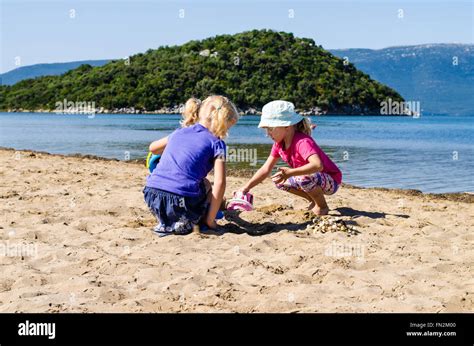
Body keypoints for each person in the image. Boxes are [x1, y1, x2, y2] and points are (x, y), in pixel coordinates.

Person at [143, 95, 239, 235]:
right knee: (206, 185)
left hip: (152, 196)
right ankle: (201, 218)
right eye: (227, 128)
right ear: (222, 124)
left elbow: (153, 148)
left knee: (201, 182)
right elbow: (220, 182)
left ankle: (167, 220)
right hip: (181, 202)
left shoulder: (179, 132)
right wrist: (210, 221)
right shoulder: (217, 144)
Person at [239, 100, 341, 215]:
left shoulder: (302, 142)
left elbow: (317, 165)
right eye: (266, 129)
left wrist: (291, 172)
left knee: (303, 178)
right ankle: (312, 199)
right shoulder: (278, 145)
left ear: (286, 126)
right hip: (310, 178)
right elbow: (265, 169)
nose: (268, 133)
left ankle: (322, 207)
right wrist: (245, 188)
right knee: (279, 180)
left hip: (331, 181)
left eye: (270, 129)